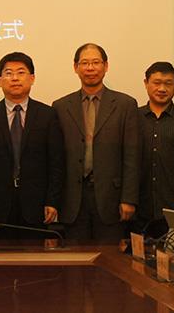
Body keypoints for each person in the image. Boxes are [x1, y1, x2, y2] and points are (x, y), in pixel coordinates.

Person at [52, 43, 139, 241]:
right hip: (73, 199)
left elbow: (132, 156)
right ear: (75, 67)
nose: (90, 68)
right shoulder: (60, 106)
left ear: (106, 66)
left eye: (95, 62)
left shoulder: (125, 105)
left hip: (111, 198)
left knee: (110, 256)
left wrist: (129, 198)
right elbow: (56, 157)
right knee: (75, 257)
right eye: (84, 63)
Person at [0, 52, 65, 238]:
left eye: (21, 72)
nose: (14, 78)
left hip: (37, 205)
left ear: (32, 78)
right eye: (8, 73)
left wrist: (53, 201)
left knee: (35, 255)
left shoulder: (47, 115)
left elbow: (56, 163)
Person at [135, 62, 174, 239]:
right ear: (146, 83)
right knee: (136, 256)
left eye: (168, 83)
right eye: (156, 82)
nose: (162, 88)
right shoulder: (134, 117)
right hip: (138, 210)